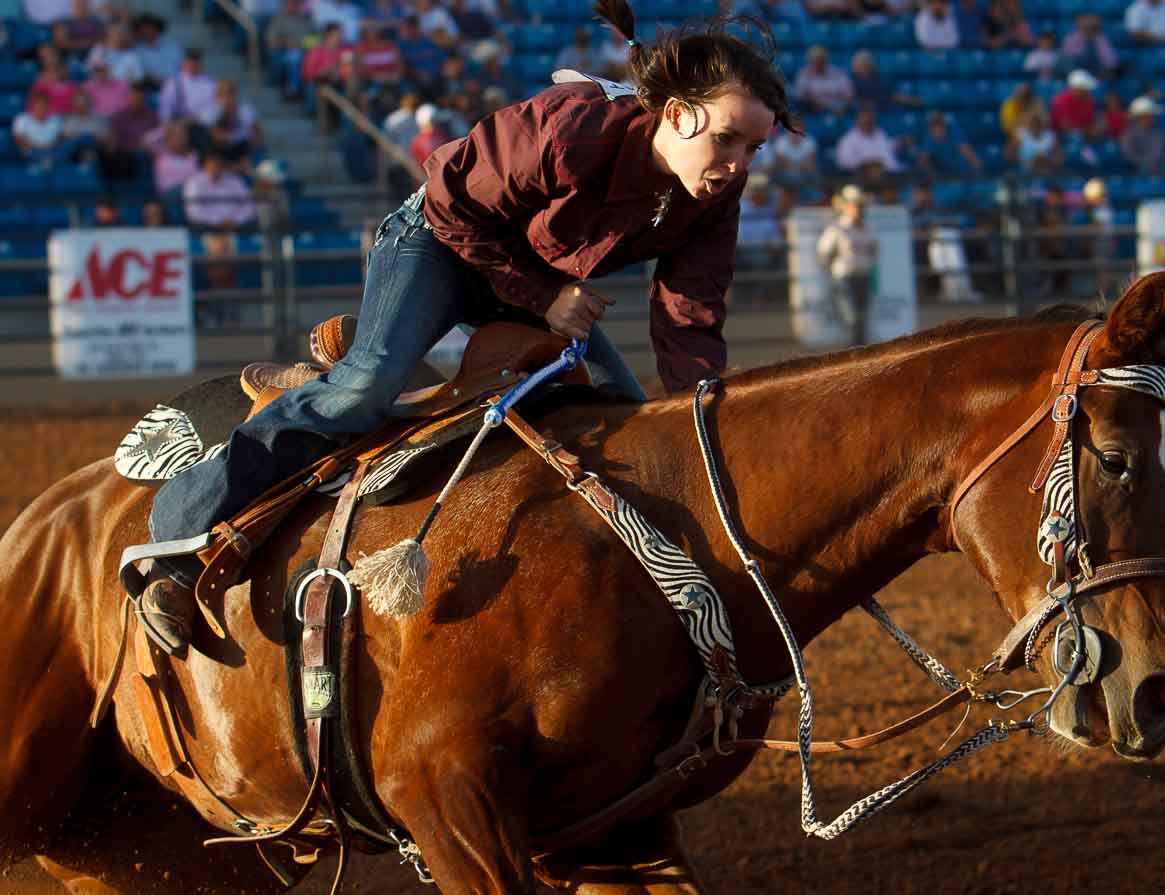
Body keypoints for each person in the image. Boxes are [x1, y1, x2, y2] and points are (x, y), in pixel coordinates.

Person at [137, 0, 793, 655]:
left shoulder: (715, 195)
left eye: (753, 147)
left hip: (536, 287)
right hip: (438, 243)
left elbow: (688, 317)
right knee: (363, 390)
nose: (737, 163)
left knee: (625, 416)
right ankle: (175, 544)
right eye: (726, 138)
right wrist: (544, 298)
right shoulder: (572, 131)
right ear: (675, 115)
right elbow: (453, 208)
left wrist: (701, 416)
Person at [817, 184, 877, 347]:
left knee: (861, 317)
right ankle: (855, 351)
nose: (859, 208)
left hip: (863, 276)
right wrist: (833, 272)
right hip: (845, 277)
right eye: (855, 204)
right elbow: (823, 253)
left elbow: (874, 251)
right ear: (846, 207)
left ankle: (859, 351)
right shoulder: (837, 228)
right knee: (852, 318)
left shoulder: (867, 228)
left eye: (860, 205)